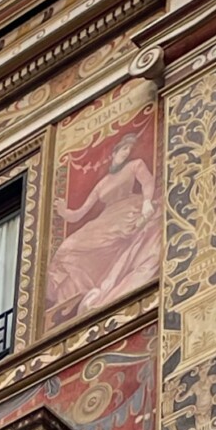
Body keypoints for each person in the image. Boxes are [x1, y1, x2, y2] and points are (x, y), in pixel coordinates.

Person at [46, 132, 161, 316]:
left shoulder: (134, 165)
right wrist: (63, 212)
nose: (126, 153)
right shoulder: (102, 184)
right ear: (114, 153)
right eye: (123, 149)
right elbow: (79, 214)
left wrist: (147, 201)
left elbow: (147, 182)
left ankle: (82, 293)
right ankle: (71, 294)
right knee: (68, 247)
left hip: (127, 211)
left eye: (128, 150)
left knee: (103, 245)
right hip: (106, 218)